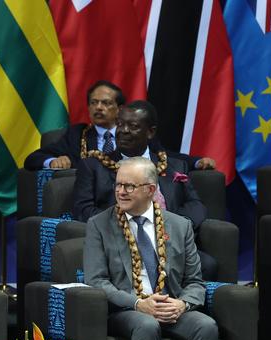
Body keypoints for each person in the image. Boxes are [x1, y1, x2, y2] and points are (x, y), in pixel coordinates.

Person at [84, 157, 218, 340]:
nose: (121, 192)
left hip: (170, 307)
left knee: (205, 326)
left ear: (151, 190)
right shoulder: (99, 225)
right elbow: (96, 281)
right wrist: (138, 304)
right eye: (118, 185)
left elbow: (195, 281)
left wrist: (183, 304)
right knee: (147, 324)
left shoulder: (179, 226)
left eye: (129, 186)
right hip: (125, 309)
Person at [73, 99, 217, 280]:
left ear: (150, 132)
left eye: (132, 126)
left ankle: (180, 306)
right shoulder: (94, 166)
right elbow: (83, 211)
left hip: (170, 243)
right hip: (123, 243)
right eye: (120, 124)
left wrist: (175, 226)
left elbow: (195, 205)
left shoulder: (173, 165)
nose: (123, 131)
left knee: (208, 265)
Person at [23, 80, 215, 170]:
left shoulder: (135, 134)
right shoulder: (76, 134)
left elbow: (166, 156)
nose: (98, 108)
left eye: (105, 103)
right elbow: (33, 159)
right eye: (93, 103)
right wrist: (52, 161)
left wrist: (197, 162)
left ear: (120, 108)